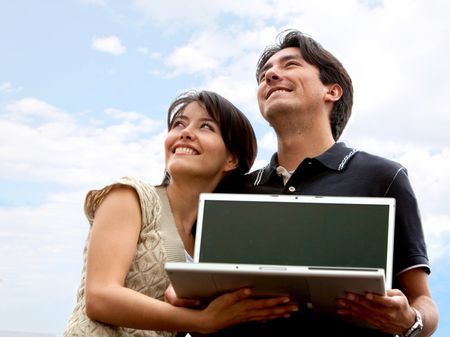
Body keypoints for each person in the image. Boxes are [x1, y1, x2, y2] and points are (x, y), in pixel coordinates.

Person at [167, 30, 440, 337]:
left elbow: (424, 302)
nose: (271, 75)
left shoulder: (383, 176)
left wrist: (410, 321)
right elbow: (198, 296)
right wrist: (185, 301)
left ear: (332, 91)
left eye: (290, 65)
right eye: (264, 73)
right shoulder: (230, 191)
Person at [62, 90, 299, 337]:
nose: (185, 132)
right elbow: (100, 297)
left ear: (231, 159)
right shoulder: (130, 196)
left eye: (205, 126)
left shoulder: (211, 243)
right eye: (179, 124)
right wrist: (202, 321)